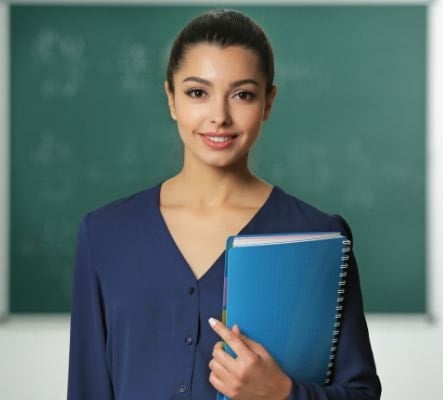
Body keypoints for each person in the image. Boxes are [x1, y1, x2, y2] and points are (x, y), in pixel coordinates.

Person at [67, 8, 381, 400]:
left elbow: (361, 393)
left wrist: (282, 394)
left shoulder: (320, 236)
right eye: (198, 92)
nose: (219, 116)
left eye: (243, 95)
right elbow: (87, 389)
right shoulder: (104, 235)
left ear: (268, 102)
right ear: (171, 98)